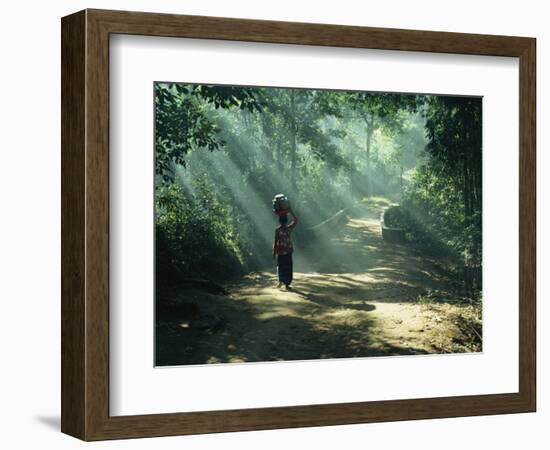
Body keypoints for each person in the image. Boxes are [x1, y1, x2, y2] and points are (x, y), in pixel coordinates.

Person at [272, 208, 298, 289]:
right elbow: (296, 220)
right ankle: (287, 284)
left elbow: (275, 241)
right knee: (288, 267)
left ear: (279, 221)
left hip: (280, 251)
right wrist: (291, 211)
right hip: (288, 251)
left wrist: (274, 252)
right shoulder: (288, 229)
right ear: (286, 221)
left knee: (280, 266)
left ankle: (280, 282)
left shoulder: (277, 230)